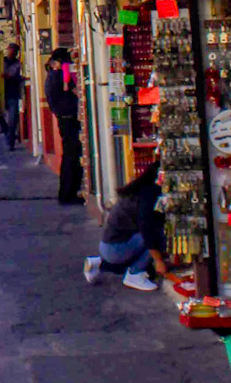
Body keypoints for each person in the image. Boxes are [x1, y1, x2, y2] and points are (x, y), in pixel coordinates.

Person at [84, 162, 165, 290]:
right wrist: (159, 260)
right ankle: (135, 274)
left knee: (146, 243)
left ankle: (100, 264)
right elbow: (147, 231)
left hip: (109, 245)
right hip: (116, 248)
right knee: (156, 237)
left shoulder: (138, 190)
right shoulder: (148, 195)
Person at [45, 49, 84, 205]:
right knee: (71, 156)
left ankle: (69, 192)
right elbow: (74, 88)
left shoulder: (53, 76)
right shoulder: (57, 76)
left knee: (72, 155)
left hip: (65, 118)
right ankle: (67, 194)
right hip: (68, 119)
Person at [2, 43, 25, 151]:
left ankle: (11, 141)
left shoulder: (18, 63)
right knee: (0, 118)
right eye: (10, 50)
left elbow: (16, 76)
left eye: (14, 50)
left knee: (12, 119)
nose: (11, 52)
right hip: (2, 94)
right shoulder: (2, 61)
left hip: (13, 94)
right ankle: (8, 135)